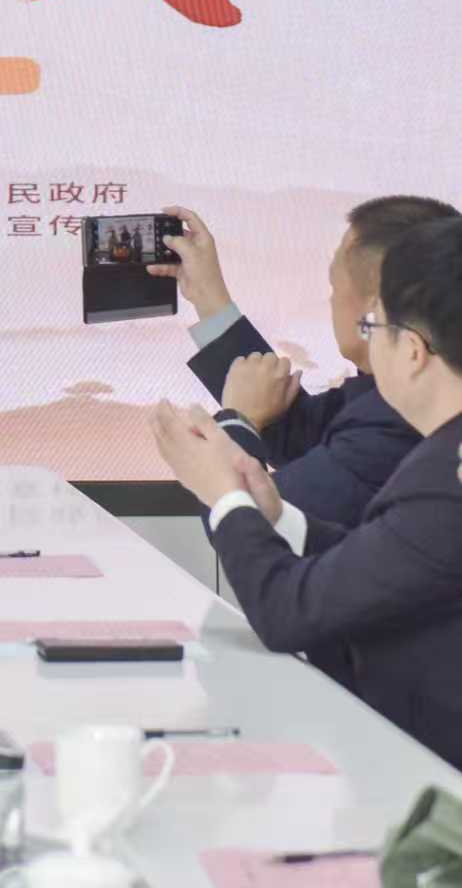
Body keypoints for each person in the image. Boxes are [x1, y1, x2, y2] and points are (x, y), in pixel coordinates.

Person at [151, 215, 462, 769]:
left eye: (374, 327)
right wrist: (278, 516)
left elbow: (290, 609)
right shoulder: (434, 455)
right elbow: (377, 559)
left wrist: (227, 490)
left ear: (414, 351)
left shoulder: (442, 481)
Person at [153, 196, 457, 524]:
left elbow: (261, 529)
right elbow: (303, 435)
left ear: (374, 308)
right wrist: (206, 293)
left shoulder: (389, 429)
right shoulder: (393, 396)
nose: (332, 301)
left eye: (334, 287)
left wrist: (237, 422)